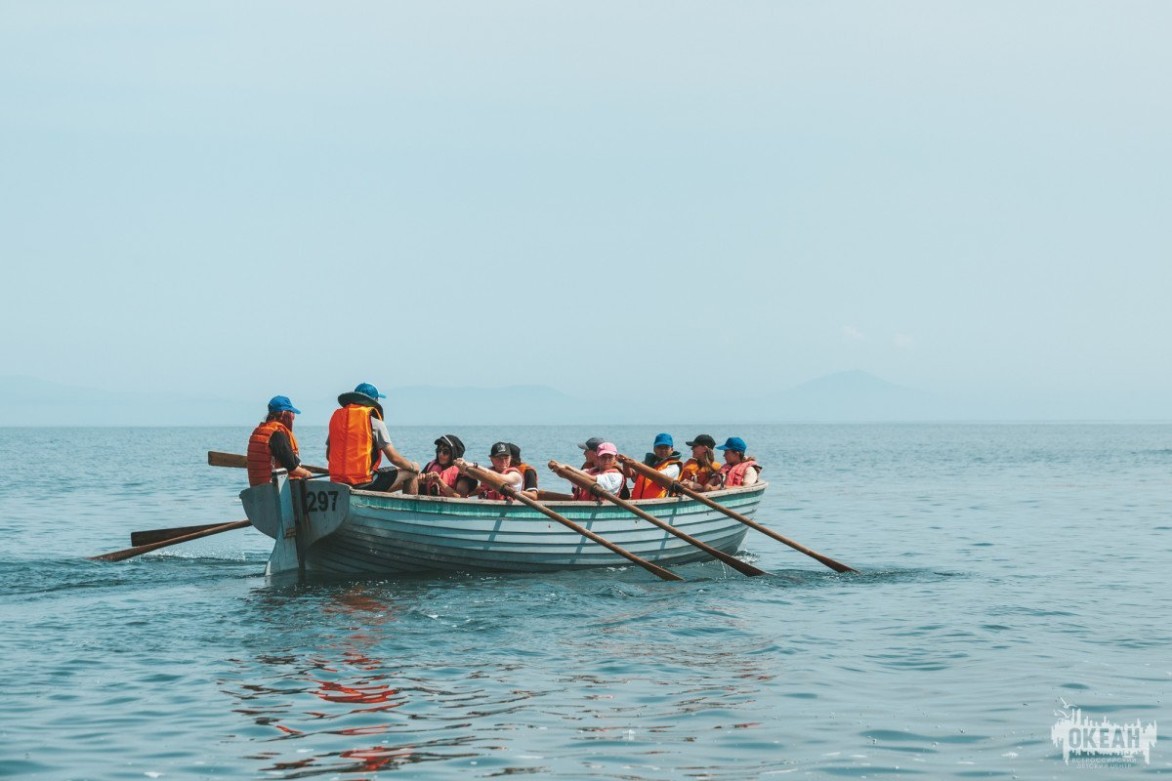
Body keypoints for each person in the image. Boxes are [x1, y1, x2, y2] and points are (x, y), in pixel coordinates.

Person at [326, 382, 419, 492]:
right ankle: (408, 509)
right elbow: (393, 458)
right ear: (374, 400)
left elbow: (329, 455)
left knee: (387, 475)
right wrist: (412, 466)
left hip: (338, 482)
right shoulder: (373, 420)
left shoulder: (337, 420)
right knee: (411, 474)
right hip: (364, 483)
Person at [247, 395, 313, 487]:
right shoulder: (277, 434)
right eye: (291, 413)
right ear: (283, 414)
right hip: (273, 489)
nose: (293, 417)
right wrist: (307, 474)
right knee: (307, 478)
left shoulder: (259, 431)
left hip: (257, 488)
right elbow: (291, 467)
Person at [627, 432, 683, 499]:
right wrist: (626, 463)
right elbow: (633, 478)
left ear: (672, 450)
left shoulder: (674, 467)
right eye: (659, 447)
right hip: (637, 503)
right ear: (654, 449)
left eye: (666, 448)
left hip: (659, 504)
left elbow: (658, 476)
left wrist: (635, 464)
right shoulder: (646, 463)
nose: (662, 450)